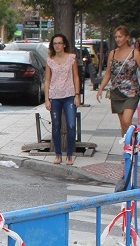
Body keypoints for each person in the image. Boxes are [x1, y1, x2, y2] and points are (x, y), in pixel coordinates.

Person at [96, 26, 140, 136]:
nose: (118, 39)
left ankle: (132, 142)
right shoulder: (113, 53)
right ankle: (127, 147)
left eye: (120, 36)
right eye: (116, 37)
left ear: (127, 37)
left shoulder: (135, 53)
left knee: (126, 120)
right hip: (116, 92)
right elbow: (108, 73)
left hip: (132, 92)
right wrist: (101, 88)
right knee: (123, 125)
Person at [44, 34, 80, 165]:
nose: (57, 45)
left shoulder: (71, 58)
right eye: (55, 43)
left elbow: (76, 76)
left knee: (71, 125)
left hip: (69, 95)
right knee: (56, 125)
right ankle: (58, 154)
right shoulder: (50, 61)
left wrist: (77, 95)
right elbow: (47, 80)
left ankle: (69, 154)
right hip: (55, 96)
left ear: (64, 44)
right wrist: (47, 99)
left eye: (59, 43)